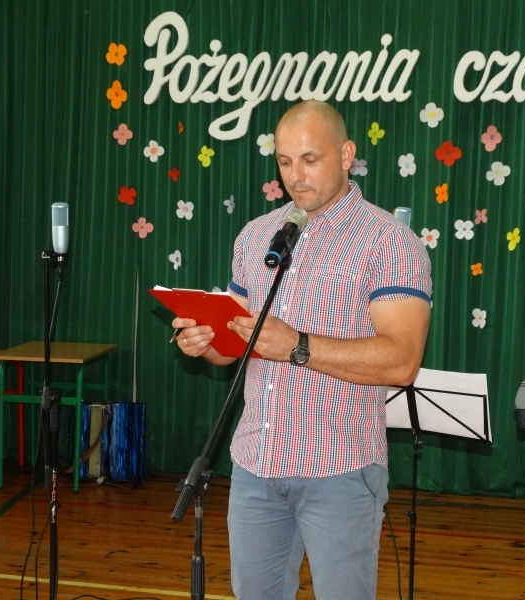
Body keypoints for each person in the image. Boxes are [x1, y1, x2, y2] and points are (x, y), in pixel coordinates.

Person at [173, 100, 432, 599]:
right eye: (285, 161)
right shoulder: (256, 236)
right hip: (255, 466)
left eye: (310, 160)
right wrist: (203, 342)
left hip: (339, 470)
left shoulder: (389, 242)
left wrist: (297, 346)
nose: (295, 176)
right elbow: (233, 348)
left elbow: (402, 361)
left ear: (346, 155)